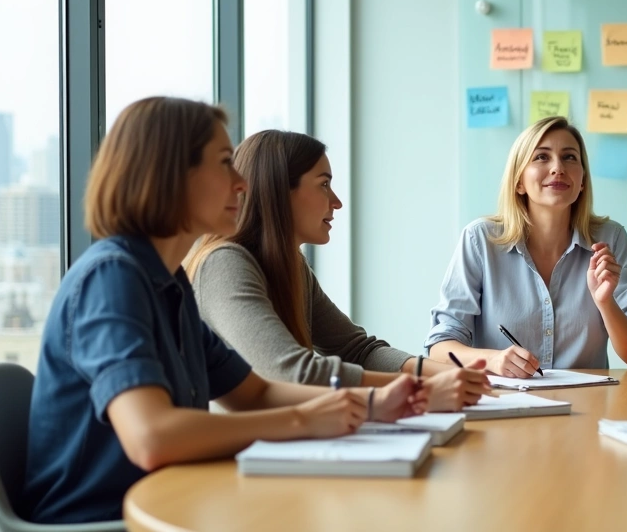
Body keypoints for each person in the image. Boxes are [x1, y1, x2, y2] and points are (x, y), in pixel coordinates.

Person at [24, 98, 425, 524]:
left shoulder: (170, 282)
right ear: (170, 176)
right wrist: (304, 419)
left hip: (175, 503)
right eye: (223, 164)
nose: (241, 183)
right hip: (106, 520)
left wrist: (374, 403)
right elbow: (151, 437)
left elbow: (255, 393)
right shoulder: (111, 280)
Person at [187, 131, 489, 411]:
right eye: (323, 184)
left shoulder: (291, 264)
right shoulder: (223, 264)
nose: (337, 202)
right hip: (238, 459)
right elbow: (293, 373)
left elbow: (356, 349)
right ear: (279, 190)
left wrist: (452, 375)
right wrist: (421, 388)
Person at [425, 116, 627, 377]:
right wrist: (493, 360)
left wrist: (605, 303)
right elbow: (440, 346)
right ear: (519, 181)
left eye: (570, 157)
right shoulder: (480, 239)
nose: (558, 168)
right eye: (541, 157)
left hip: (588, 407)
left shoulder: (610, 239)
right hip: (504, 406)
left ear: (582, 182)